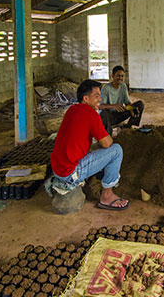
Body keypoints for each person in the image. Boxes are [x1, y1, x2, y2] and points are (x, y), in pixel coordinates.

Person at [48, 79, 129, 210]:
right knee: (116, 150)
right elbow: (107, 143)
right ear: (86, 98)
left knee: (95, 149)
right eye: (96, 96)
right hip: (70, 172)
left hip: (57, 168)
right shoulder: (91, 114)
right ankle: (107, 196)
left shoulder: (72, 110)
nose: (100, 99)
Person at [99, 65, 144, 130]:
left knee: (140, 104)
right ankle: (108, 133)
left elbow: (127, 102)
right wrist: (114, 106)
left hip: (120, 114)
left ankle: (128, 127)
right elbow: (100, 106)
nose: (120, 78)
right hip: (110, 117)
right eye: (118, 76)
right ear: (112, 76)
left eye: (122, 76)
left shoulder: (123, 86)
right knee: (103, 113)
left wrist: (131, 108)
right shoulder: (106, 88)